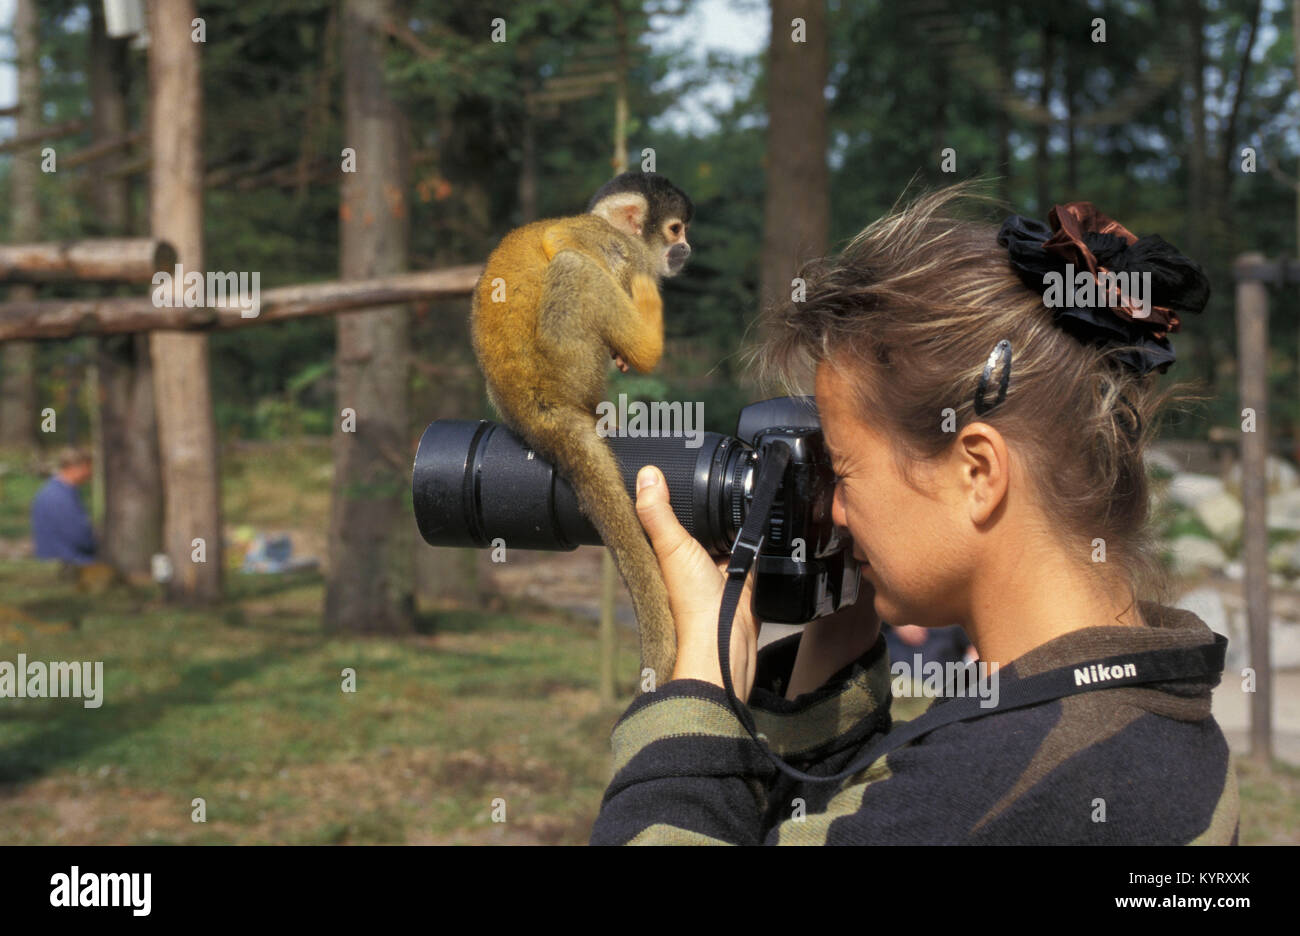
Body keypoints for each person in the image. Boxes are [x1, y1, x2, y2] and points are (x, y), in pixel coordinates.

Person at [589, 186, 1237, 845]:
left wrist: (700, 684)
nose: (835, 512)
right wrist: (834, 645)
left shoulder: (991, 780)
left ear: (977, 472)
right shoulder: (1152, 717)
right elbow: (855, 823)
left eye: (841, 472)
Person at [31, 447, 98, 567]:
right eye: (89, 467)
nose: (91, 473)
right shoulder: (60, 496)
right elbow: (78, 536)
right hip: (68, 560)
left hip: (60, 557)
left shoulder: (55, 490)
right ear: (78, 467)